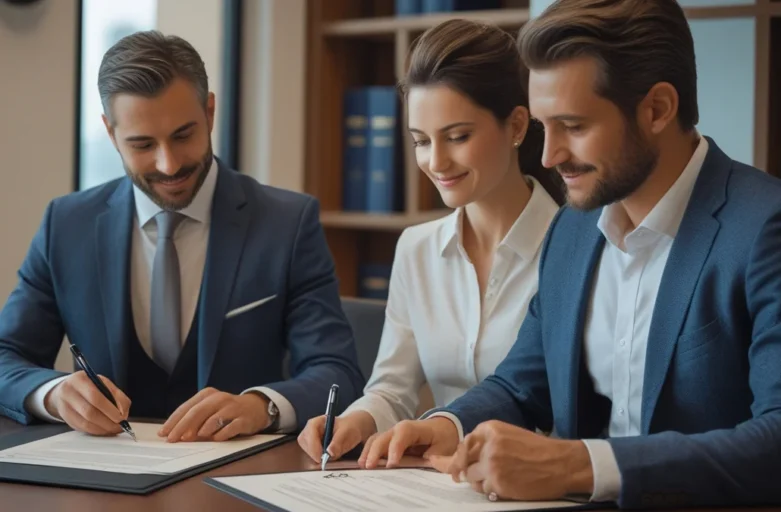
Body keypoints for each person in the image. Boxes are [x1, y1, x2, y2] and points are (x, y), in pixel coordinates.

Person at [358, 0, 781, 509]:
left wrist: (577, 464)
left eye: (573, 126)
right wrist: (447, 426)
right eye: (543, 125)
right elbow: (521, 384)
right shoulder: (575, 229)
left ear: (658, 109)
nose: (548, 156)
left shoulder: (762, 228)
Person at [0, 30, 364, 442]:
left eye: (183, 135)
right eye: (141, 144)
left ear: (209, 112)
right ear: (109, 133)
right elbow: (4, 356)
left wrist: (261, 406)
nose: (168, 165)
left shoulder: (288, 223)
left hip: (237, 481)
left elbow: (338, 370)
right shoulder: (65, 225)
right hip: (101, 484)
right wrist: (53, 393)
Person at [297, 19, 563, 464]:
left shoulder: (574, 250)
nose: (436, 162)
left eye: (458, 137)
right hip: (439, 482)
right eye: (421, 141)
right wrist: (357, 421)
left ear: (517, 125)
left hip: (533, 483)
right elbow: (392, 389)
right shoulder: (416, 248)